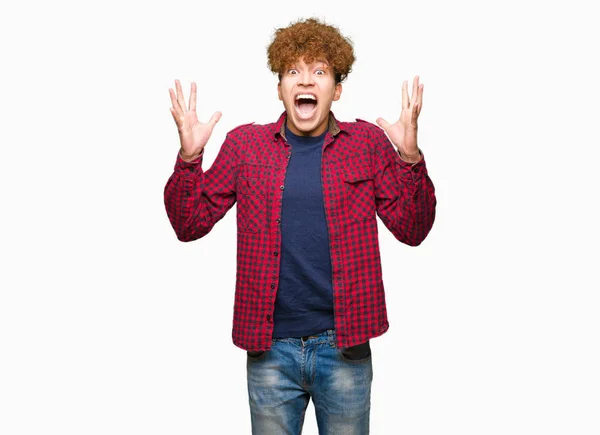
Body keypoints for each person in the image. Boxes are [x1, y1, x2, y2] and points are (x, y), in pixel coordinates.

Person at [164, 17, 436, 435]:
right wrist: (188, 160)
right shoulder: (244, 146)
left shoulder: (366, 144)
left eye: (320, 71)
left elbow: (412, 229)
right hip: (270, 349)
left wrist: (411, 161)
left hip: (344, 346)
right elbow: (189, 225)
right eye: (293, 71)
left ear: (336, 89)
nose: (305, 80)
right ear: (280, 89)